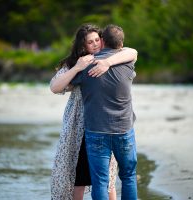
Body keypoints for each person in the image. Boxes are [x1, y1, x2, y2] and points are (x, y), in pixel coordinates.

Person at [49, 23, 137, 200]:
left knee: (107, 177)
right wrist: (77, 67)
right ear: (83, 45)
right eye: (90, 42)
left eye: (97, 40)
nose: (96, 44)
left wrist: (107, 62)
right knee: (80, 176)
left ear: (103, 40)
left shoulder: (115, 57)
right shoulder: (80, 63)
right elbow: (55, 87)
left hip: (100, 124)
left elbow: (132, 52)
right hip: (79, 125)